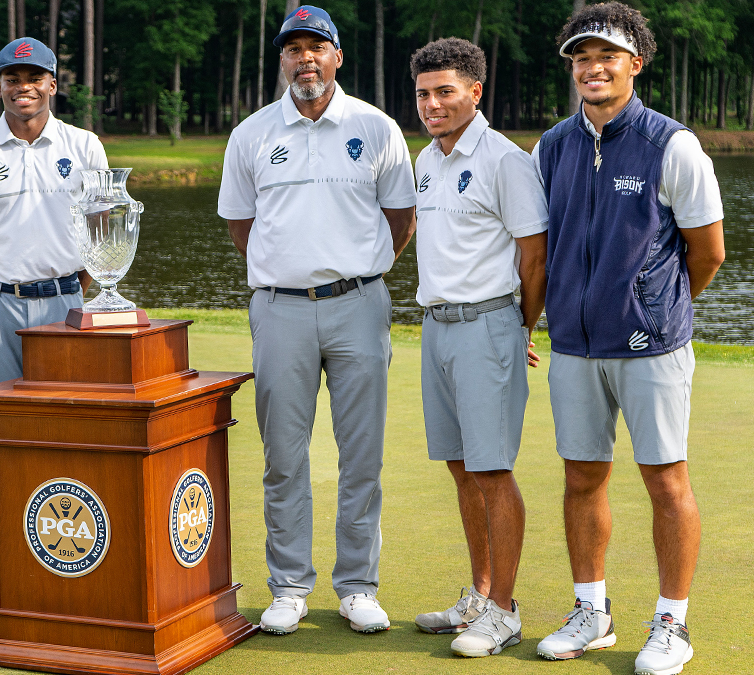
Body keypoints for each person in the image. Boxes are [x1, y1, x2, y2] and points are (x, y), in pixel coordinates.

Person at [531, 4, 725, 673]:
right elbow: (539, 247)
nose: (592, 68)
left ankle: (672, 621)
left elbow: (708, 251)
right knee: (582, 476)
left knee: (666, 480)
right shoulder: (551, 146)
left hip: (651, 347)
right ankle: (593, 611)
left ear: (634, 64)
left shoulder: (672, 144)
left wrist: (656, 308)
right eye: (581, 58)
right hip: (576, 347)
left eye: (606, 56)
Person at [218, 5, 416, 637]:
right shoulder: (253, 133)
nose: (306, 58)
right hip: (279, 309)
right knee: (283, 456)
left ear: (336, 57)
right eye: (294, 48)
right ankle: (289, 585)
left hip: (359, 305)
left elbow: (400, 219)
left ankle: (357, 585)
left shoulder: (375, 127)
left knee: (361, 455)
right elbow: (240, 225)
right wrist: (287, 270)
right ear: (282, 59)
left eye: (317, 47)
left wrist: (355, 271)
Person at [0, 36, 108, 621]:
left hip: (65, 304)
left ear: (52, 83)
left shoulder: (83, 145)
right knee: (5, 444)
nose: (24, 87)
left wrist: (75, 288)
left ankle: (75, 561)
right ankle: (4, 570)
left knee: (72, 437)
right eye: (12, 78)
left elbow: (103, 228)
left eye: (33, 76)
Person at [407, 37, 548, 657]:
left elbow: (534, 256)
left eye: (444, 92)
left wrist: (518, 328)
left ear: (475, 92)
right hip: (436, 327)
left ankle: (506, 611)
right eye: (423, 94)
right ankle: (481, 594)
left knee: (492, 471)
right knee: (462, 468)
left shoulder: (505, 160)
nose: (432, 104)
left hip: (488, 326)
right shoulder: (426, 161)